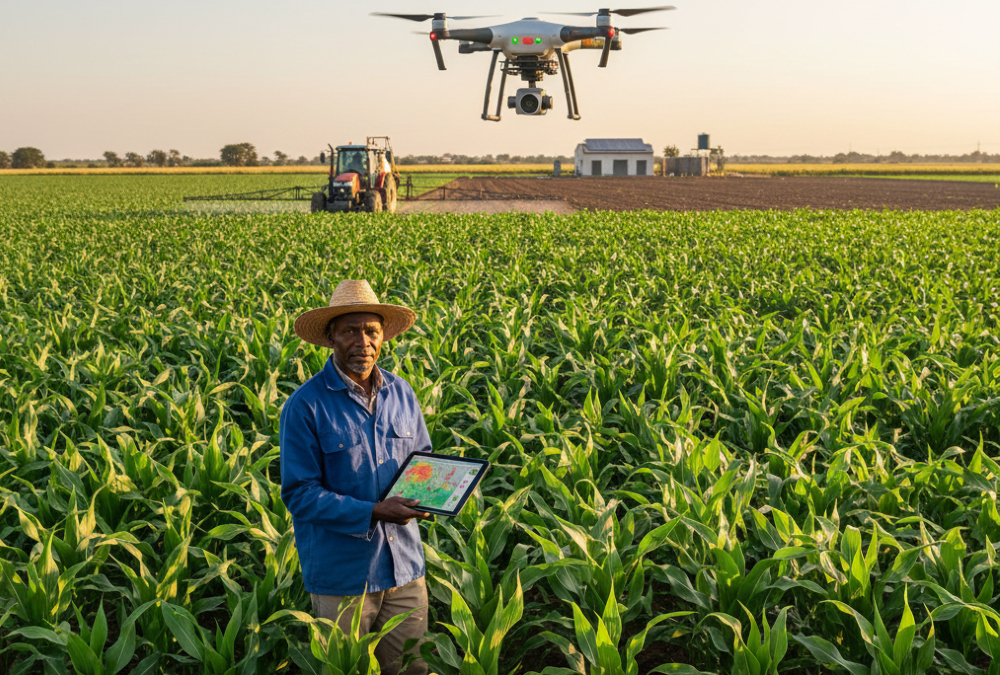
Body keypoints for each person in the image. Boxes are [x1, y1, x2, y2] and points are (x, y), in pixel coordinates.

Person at [280, 279, 432, 675]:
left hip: (405, 570)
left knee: (412, 668)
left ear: (383, 337)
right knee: (345, 669)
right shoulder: (305, 405)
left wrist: (437, 493)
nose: (362, 342)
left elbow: (423, 462)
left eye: (371, 331)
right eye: (350, 331)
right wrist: (374, 511)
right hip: (343, 578)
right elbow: (300, 494)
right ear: (331, 337)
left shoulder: (402, 393)